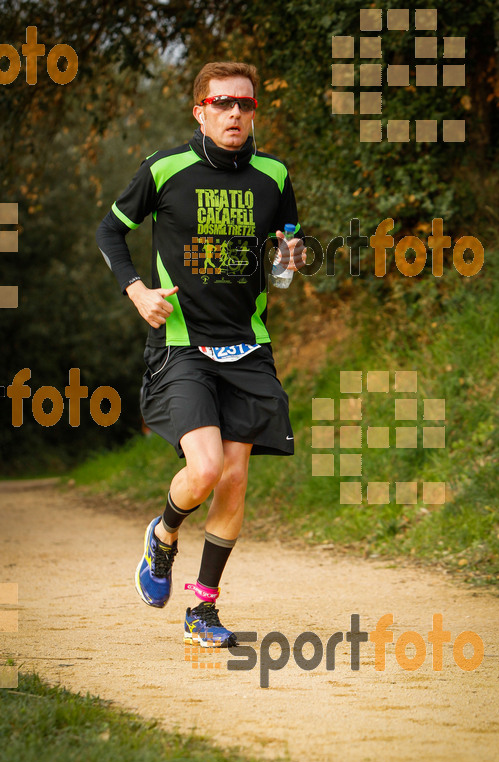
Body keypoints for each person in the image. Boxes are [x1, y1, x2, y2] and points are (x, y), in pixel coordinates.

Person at [96, 61, 305, 648]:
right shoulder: (165, 169)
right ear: (200, 111)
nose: (235, 113)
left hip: (249, 348)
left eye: (245, 103)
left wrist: (292, 260)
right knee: (206, 469)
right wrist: (137, 292)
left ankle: (202, 611)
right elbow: (110, 231)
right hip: (183, 346)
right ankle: (163, 535)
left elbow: (287, 254)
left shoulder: (274, 175)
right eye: (222, 103)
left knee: (234, 479)